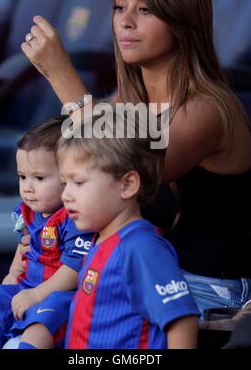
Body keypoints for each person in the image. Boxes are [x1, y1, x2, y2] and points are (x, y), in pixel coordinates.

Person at [21, 0, 251, 317]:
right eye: (119, 7)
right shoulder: (121, 106)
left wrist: (61, 76)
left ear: (183, 21)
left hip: (204, 293)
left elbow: (116, 164)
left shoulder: (208, 110)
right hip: (133, 271)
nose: (125, 22)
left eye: (145, 10)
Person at [58, 109, 199, 349]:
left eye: (78, 182)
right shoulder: (102, 238)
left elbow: (182, 320)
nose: (65, 195)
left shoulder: (141, 247)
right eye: (64, 183)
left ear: (128, 184)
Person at [0, 116, 93, 349]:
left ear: (69, 178)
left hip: (60, 294)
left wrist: (38, 295)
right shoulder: (28, 212)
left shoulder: (73, 217)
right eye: (22, 176)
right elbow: (24, 245)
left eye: (39, 178)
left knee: (41, 326)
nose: (27, 187)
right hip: (27, 286)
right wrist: (14, 271)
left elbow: (75, 268)